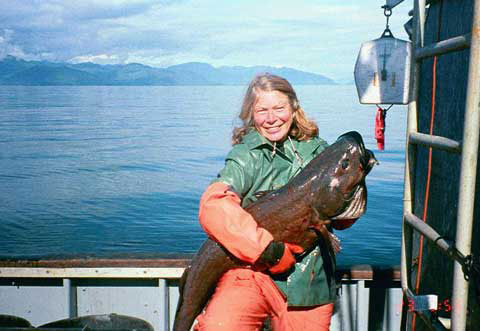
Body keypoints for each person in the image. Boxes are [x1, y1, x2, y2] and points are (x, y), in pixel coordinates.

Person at [195, 73, 350, 331]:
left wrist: (352, 187)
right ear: (251, 114)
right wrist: (267, 251)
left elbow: (344, 221)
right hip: (250, 273)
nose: (271, 118)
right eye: (262, 110)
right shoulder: (245, 157)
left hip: (309, 280)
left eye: (279, 108)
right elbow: (214, 205)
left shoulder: (320, 152)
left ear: (294, 107)